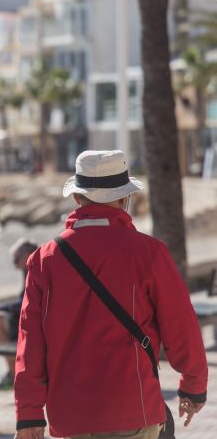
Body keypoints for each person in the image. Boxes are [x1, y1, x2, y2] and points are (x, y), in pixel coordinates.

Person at [14, 150, 208, 439]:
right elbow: (181, 325)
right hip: (134, 409)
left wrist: (28, 415)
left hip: (70, 416)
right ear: (123, 199)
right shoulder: (149, 253)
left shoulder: (44, 259)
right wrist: (193, 387)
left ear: (78, 198)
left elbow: (30, 344)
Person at [0, 238, 38, 390]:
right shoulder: (31, 268)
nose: (14, 264)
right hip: (33, 317)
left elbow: (26, 301)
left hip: (33, 320)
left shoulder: (34, 268)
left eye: (16, 259)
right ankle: (13, 373)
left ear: (27, 253)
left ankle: (14, 375)